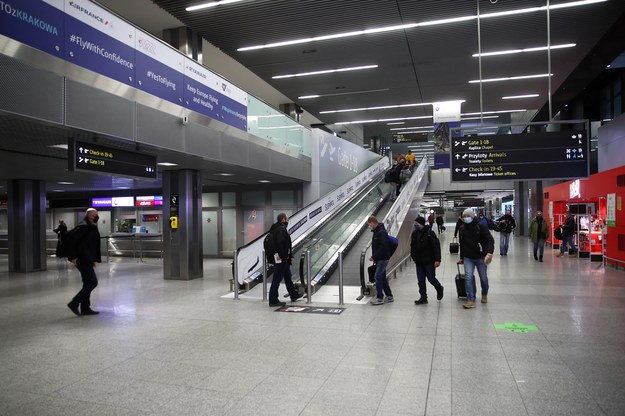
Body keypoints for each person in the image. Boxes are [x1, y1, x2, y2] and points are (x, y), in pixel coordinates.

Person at [66, 208, 102, 316]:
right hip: (81, 259)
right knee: (92, 282)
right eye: (93, 215)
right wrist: (73, 257)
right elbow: (72, 241)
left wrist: (93, 259)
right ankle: (74, 303)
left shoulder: (91, 227)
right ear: (88, 215)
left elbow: (90, 244)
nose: (95, 217)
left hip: (87, 259)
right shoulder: (83, 226)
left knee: (87, 283)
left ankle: (85, 308)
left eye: (96, 215)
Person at [458, 208, 494, 309]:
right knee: (468, 278)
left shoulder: (480, 226)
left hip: (480, 257)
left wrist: (489, 252)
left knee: (483, 278)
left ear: (472, 216)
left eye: (467, 216)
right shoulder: (462, 228)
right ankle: (470, 300)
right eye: (464, 216)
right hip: (468, 257)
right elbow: (462, 244)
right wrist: (462, 257)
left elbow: (489, 240)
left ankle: (484, 294)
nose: (466, 218)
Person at [267, 213, 302, 307]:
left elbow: (285, 244)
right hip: (281, 259)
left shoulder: (277, 228)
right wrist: (283, 256)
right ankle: (273, 300)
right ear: (283, 219)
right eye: (287, 219)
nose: (288, 221)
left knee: (287, 277)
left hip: (283, 258)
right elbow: (280, 244)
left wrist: (290, 255)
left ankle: (293, 295)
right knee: (277, 279)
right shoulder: (280, 229)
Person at [410, 216, 444, 305]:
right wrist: (414, 257)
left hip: (429, 261)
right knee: (420, 281)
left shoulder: (430, 233)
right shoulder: (414, 234)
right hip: (419, 262)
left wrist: (437, 259)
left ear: (421, 224)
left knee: (431, 278)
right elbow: (412, 246)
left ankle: (439, 288)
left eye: (416, 223)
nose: (415, 225)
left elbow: (436, 246)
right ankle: (423, 297)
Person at [368, 216, 394, 305]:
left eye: (369, 224)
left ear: (372, 222)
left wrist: (374, 257)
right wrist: (375, 258)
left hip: (383, 258)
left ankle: (380, 298)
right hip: (380, 258)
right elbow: (377, 246)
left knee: (377, 276)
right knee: (382, 277)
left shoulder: (381, 232)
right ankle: (389, 296)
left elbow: (383, 247)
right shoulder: (376, 232)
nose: (369, 226)